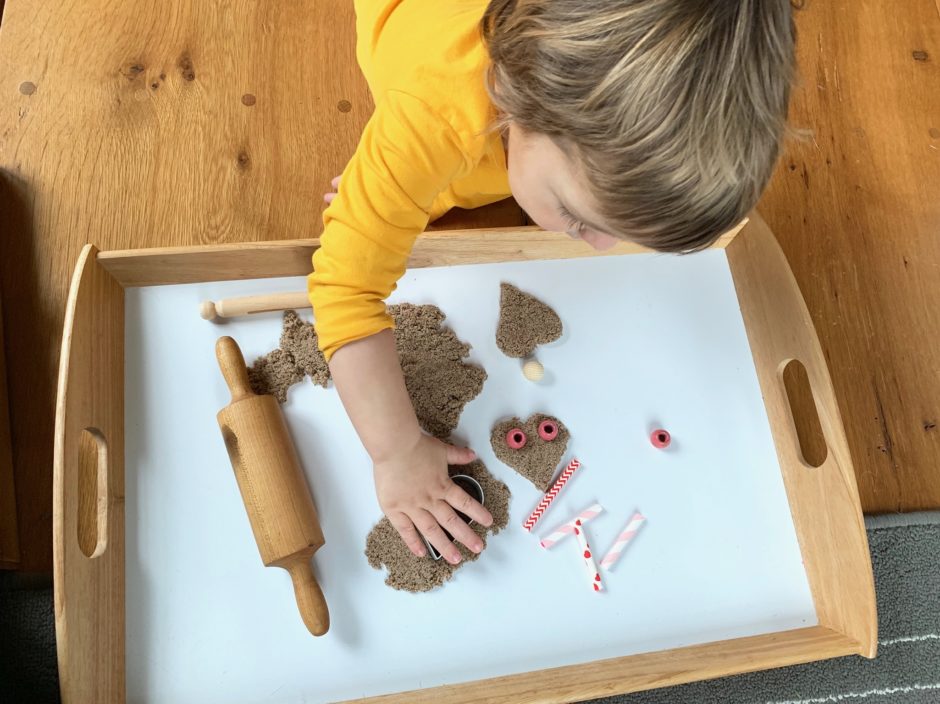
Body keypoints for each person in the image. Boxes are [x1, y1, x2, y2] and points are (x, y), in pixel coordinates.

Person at [308, 0, 796, 565]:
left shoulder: (553, 114)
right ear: (520, 98)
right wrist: (395, 453)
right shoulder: (432, 115)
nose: (597, 246)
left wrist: (407, 191)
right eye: (580, 218)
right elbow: (344, 290)